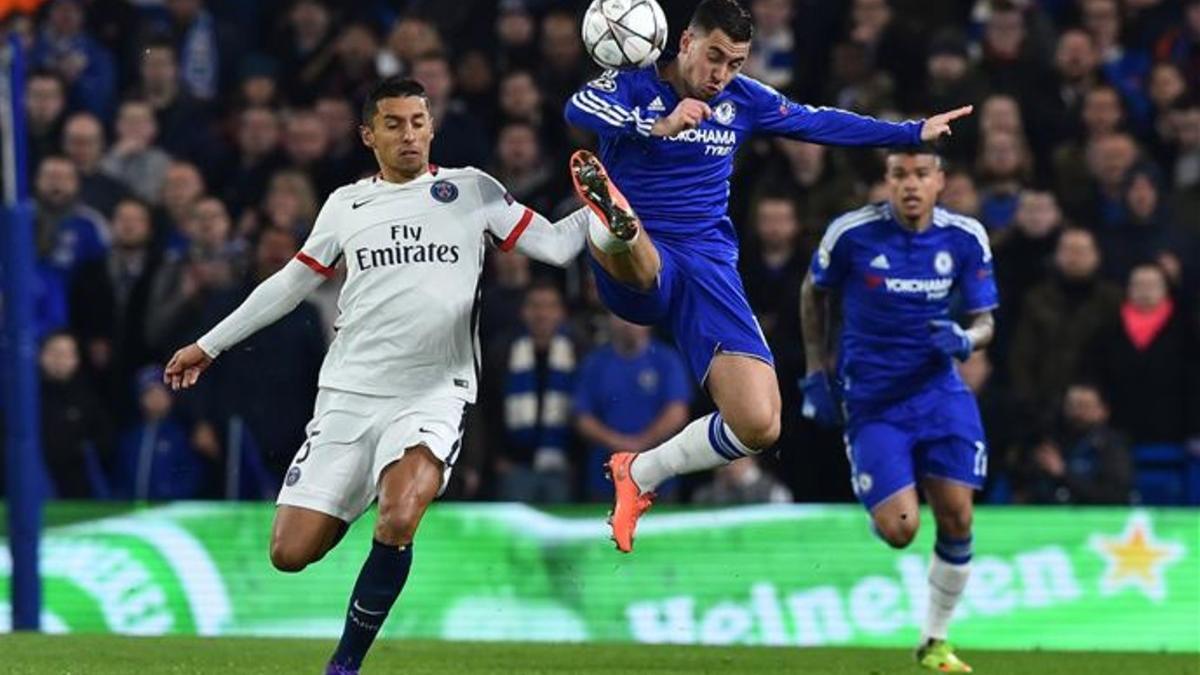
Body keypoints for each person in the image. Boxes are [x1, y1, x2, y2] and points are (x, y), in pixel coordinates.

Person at [163, 77, 601, 675]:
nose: (409, 134)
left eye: (418, 121)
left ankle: (344, 663)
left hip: (433, 392)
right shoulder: (346, 204)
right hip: (349, 393)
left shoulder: (471, 191)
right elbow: (291, 285)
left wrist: (607, 209)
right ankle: (366, 490)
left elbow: (553, 247)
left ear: (431, 126)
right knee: (289, 553)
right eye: (394, 124)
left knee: (399, 517)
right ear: (369, 135)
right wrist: (208, 346)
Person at [563, 0, 972, 553]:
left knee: (759, 423)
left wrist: (909, 133)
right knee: (637, 244)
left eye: (734, 63)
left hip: (708, 265)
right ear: (685, 42)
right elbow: (579, 107)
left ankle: (640, 472)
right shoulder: (633, 84)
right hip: (641, 265)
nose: (721, 75)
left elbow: (817, 121)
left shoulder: (742, 99)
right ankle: (613, 223)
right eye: (714, 58)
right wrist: (656, 125)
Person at [800, 147, 997, 672]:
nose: (910, 184)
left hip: (939, 393)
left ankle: (934, 641)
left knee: (957, 516)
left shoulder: (965, 237)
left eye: (921, 174)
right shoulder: (852, 234)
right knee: (902, 530)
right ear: (886, 182)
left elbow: (985, 321)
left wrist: (965, 339)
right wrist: (817, 370)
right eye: (899, 175)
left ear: (940, 181)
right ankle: (883, 504)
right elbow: (812, 292)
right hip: (873, 399)